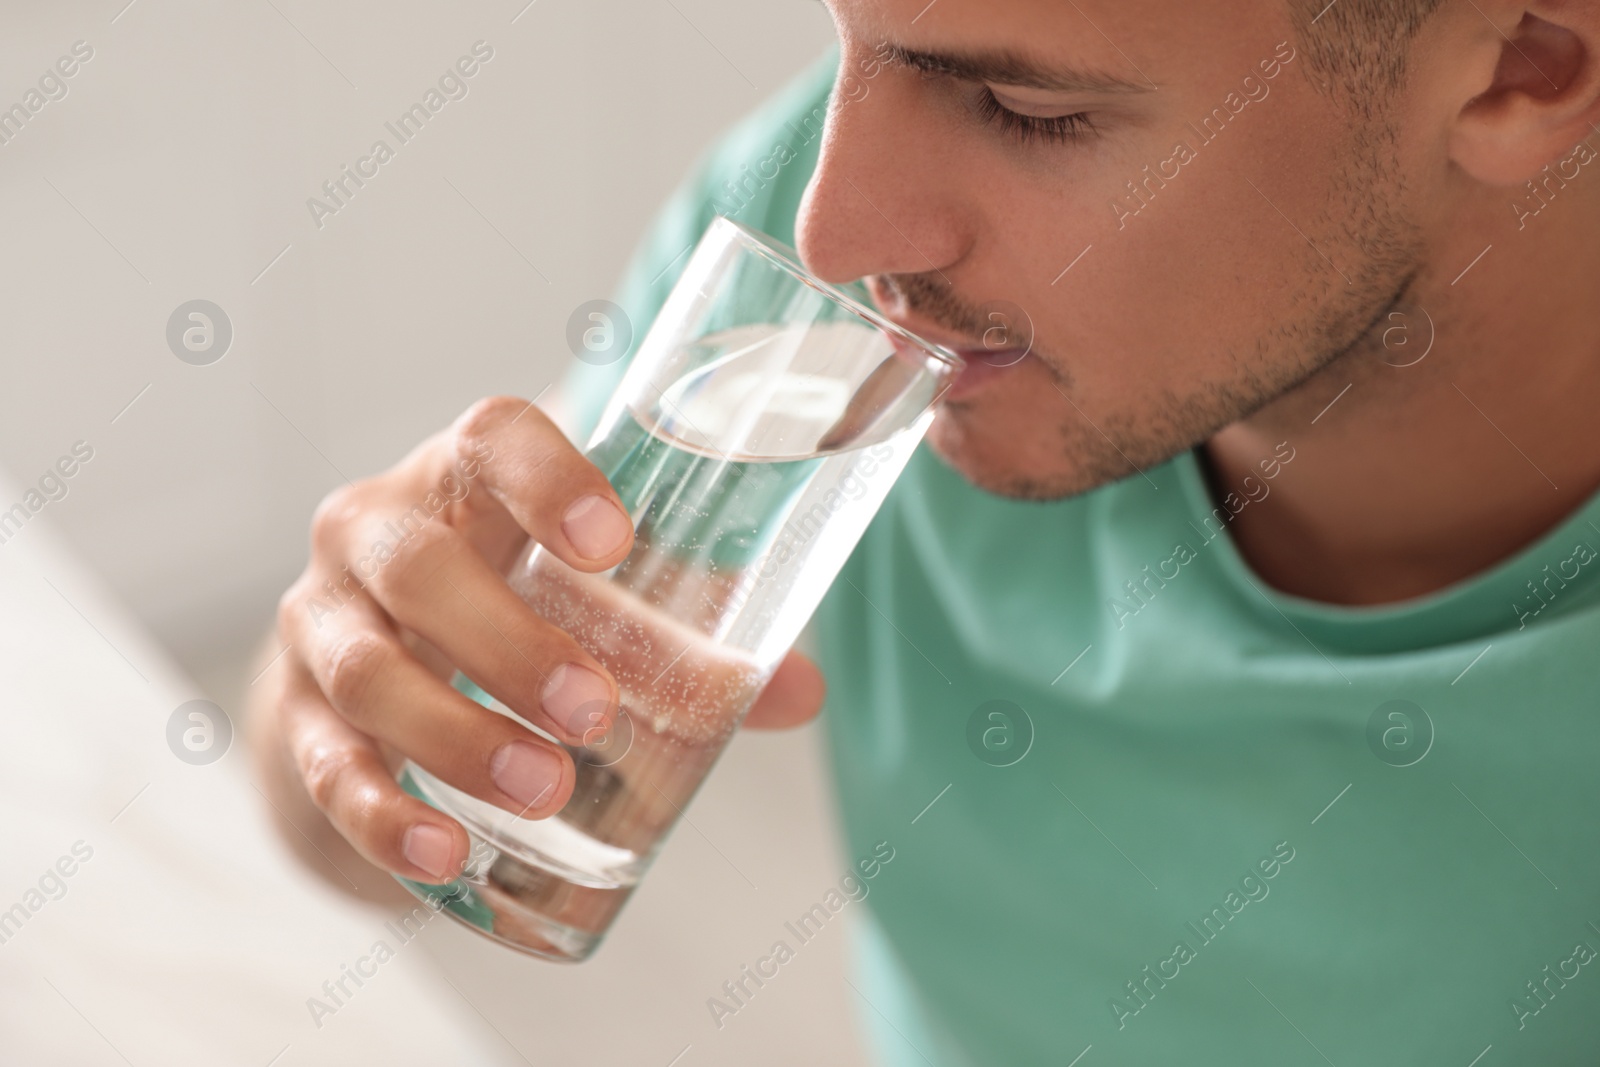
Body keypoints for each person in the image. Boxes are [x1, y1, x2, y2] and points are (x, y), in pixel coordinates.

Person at [247, 0, 1600, 1060]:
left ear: (1522, 65)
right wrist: (362, 697)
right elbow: (423, 766)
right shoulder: (820, 278)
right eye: (850, 41)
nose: (838, 233)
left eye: (1027, 110)